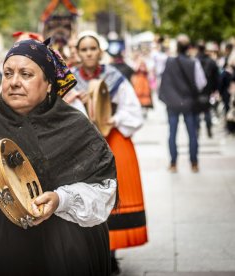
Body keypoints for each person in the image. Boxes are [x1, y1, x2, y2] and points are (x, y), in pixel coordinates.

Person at [0, 39, 118, 275]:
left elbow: (103, 187)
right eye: (8, 73)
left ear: (49, 83)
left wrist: (61, 200)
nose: (14, 82)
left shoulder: (76, 126)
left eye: (26, 74)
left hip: (60, 249)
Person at [63, 30, 147, 275]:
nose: (89, 53)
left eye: (93, 48)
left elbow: (133, 112)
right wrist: (71, 101)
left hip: (112, 140)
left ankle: (110, 253)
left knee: (112, 195)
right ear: (77, 54)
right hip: (79, 145)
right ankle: (87, 253)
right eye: (84, 49)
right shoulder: (69, 82)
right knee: (82, 196)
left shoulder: (115, 77)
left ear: (100, 52)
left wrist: (113, 118)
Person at [158, 34, 207, 173]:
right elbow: (201, 83)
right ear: (189, 47)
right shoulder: (193, 63)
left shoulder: (168, 61)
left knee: (172, 133)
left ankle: (173, 163)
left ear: (177, 47)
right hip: (189, 103)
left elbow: (162, 78)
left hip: (172, 103)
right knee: (192, 133)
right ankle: (194, 163)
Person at [195, 42, 219, 138]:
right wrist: (215, 89)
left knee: (197, 111)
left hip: (197, 91)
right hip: (208, 90)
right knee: (207, 110)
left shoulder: (194, 60)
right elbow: (216, 77)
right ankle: (208, 129)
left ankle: (197, 129)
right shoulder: (211, 61)